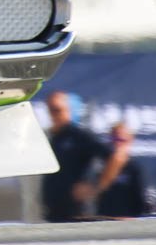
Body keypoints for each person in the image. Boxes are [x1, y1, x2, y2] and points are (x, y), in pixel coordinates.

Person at [41, 92, 107, 222]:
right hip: (54, 212)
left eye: (57, 110)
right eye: (50, 110)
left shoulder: (78, 136)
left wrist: (95, 186)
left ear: (68, 110)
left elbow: (114, 158)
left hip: (78, 212)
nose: (53, 114)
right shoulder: (53, 137)